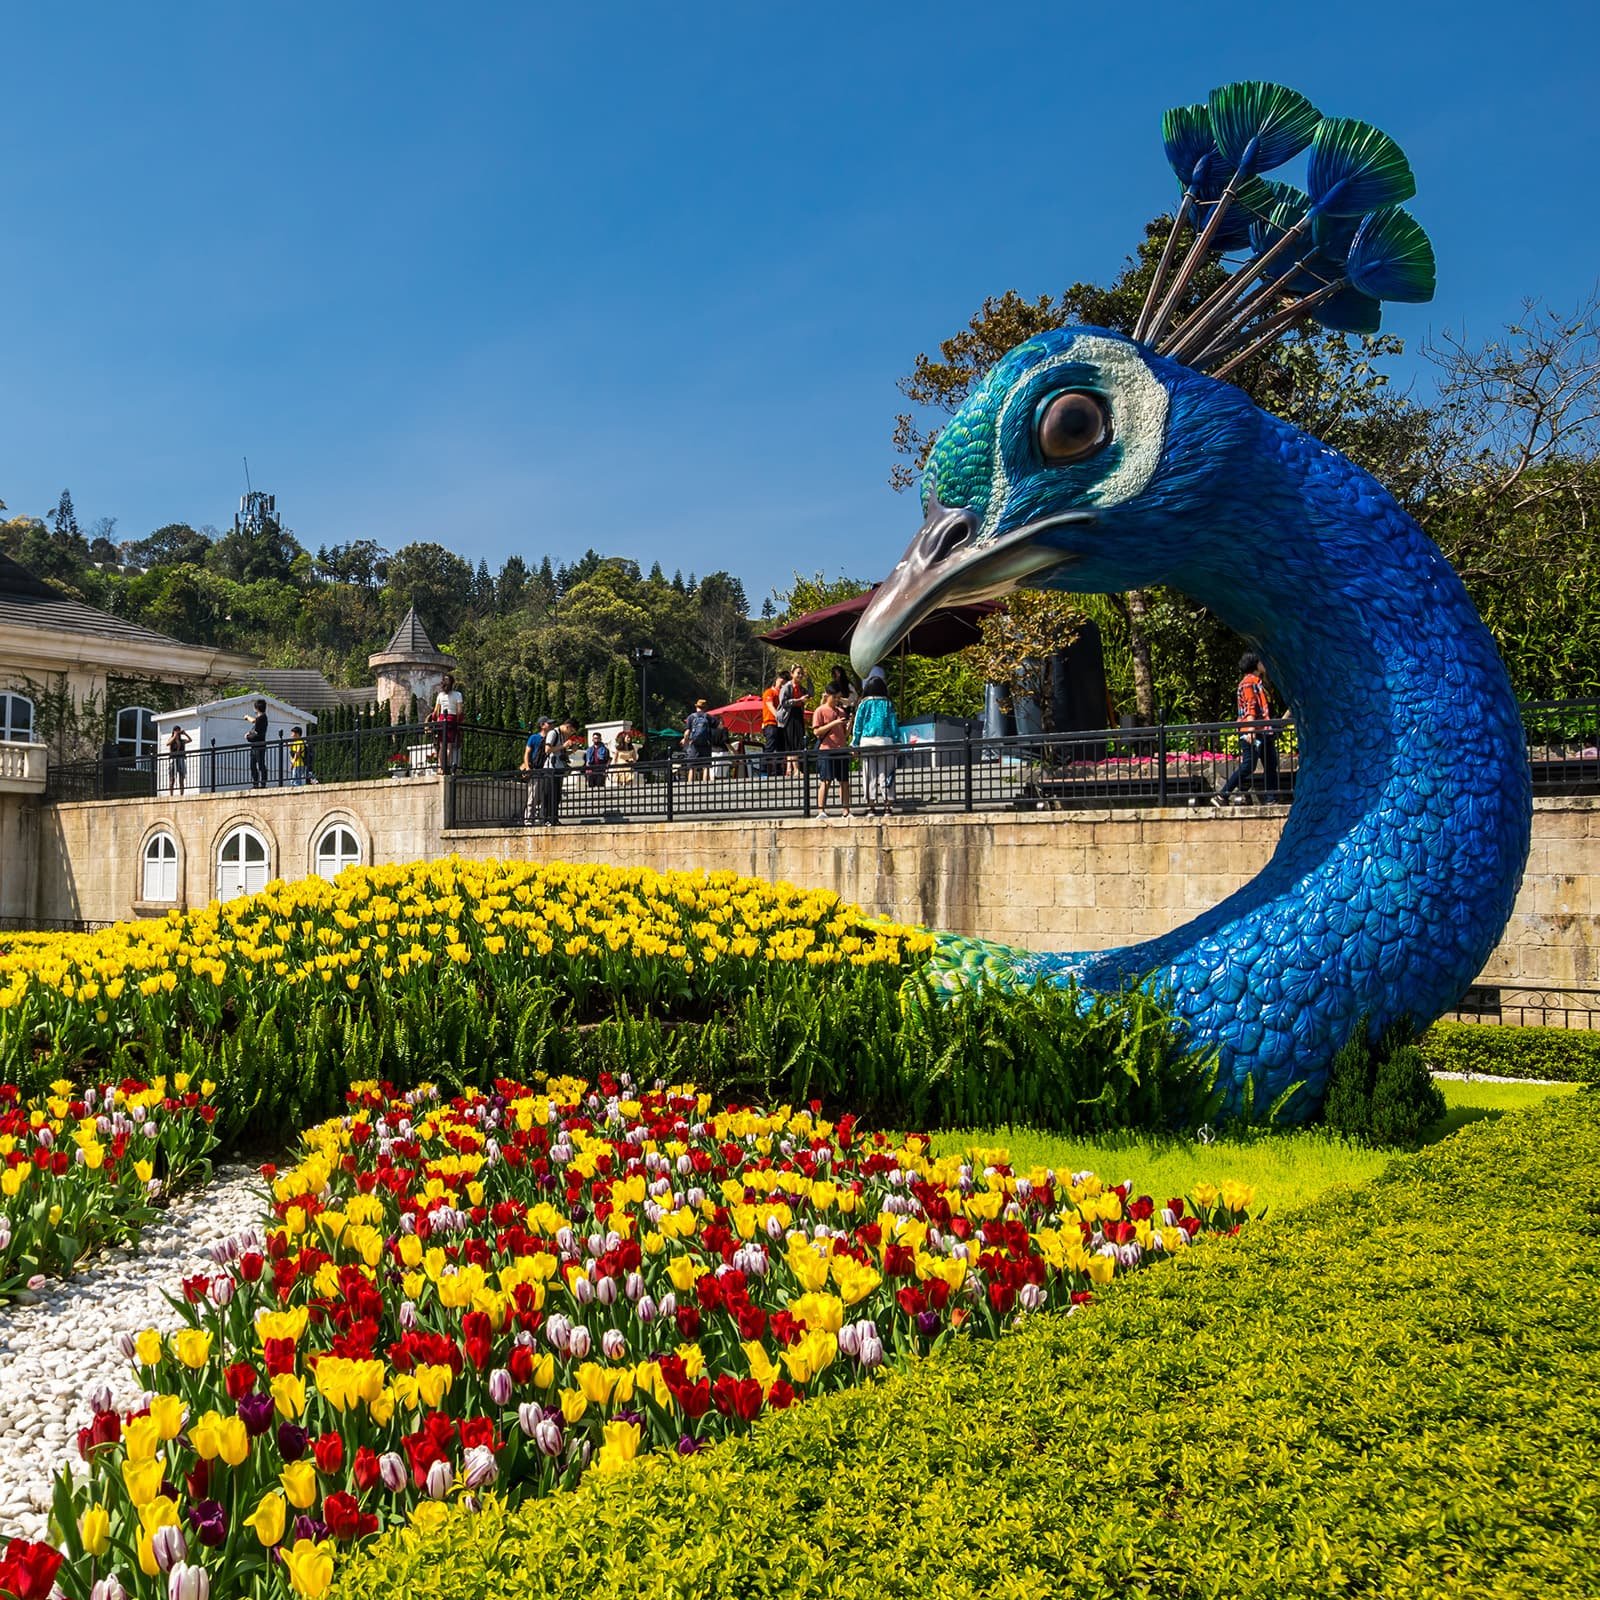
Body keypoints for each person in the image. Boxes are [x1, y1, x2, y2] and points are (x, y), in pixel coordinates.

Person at [1209, 651, 1280, 807]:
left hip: (1263, 730)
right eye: (1261, 662)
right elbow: (1250, 707)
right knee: (1248, 765)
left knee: (1270, 764)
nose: (1264, 664)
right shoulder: (1249, 682)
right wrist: (1250, 729)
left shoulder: (1258, 682)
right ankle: (1222, 794)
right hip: (1254, 731)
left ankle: (1271, 798)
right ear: (1255, 665)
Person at [853, 668, 902, 817]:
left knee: (869, 775)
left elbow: (858, 725)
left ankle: (871, 807)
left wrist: (855, 744)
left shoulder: (863, 704)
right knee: (886, 774)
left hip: (867, 742)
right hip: (885, 741)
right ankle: (888, 806)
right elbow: (893, 724)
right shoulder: (887, 704)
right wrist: (897, 742)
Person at [811, 690, 851, 819]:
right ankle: (821, 810)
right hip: (826, 749)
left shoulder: (841, 711)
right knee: (826, 780)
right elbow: (817, 732)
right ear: (828, 696)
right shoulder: (820, 710)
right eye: (835, 697)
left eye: (838, 697)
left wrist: (850, 724)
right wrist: (834, 723)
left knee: (844, 781)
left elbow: (845, 734)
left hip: (841, 749)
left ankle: (846, 810)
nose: (837, 700)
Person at [778, 666, 809, 778]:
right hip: (789, 716)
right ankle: (796, 769)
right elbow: (783, 702)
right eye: (798, 673)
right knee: (793, 742)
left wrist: (809, 679)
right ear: (792, 674)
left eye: (801, 673)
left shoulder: (801, 688)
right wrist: (798, 700)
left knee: (796, 741)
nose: (800, 675)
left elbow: (811, 693)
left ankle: (790, 768)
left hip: (798, 714)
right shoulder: (787, 687)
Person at [431, 673, 464, 774]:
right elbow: (459, 711)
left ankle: (440, 767)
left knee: (442, 746)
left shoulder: (440, 695)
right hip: (451, 720)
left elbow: (436, 711)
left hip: (441, 720)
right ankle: (447, 767)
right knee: (449, 746)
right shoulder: (458, 695)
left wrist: (434, 720)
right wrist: (459, 721)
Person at [520, 717, 550, 824]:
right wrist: (527, 766)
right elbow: (527, 753)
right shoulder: (534, 737)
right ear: (542, 725)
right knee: (532, 796)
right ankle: (528, 819)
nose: (550, 725)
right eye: (548, 723)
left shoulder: (551, 738)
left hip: (547, 770)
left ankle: (542, 819)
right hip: (536, 769)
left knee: (545, 797)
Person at [683, 698, 715, 783]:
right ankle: (705, 785)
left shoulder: (691, 717)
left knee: (692, 767)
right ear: (705, 708)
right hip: (706, 744)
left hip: (694, 744)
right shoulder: (708, 716)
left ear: (697, 707)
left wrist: (685, 741)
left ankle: (690, 786)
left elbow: (687, 732)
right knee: (706, 766)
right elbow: (719, 726)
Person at [760, 671, 785, 777]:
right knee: (770, 746)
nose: (782, 685)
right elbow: (770, 706)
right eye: (781, 682)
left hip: (780, 724)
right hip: (771, 723)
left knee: (781, 747)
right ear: (776, 680)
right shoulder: (769, 692)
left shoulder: (782, 694)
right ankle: (763, 770)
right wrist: (778, 716)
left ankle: (778, 771)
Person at [244, 698, 269, 789]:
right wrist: (250, 733)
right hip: (255, 746)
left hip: (259, 745)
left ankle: (262, 783)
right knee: (253, 765)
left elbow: (257, 733)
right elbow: (255, 723)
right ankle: (256, 783)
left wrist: (248, 737)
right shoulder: (260, 718)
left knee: (260, 764)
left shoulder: (262, 717)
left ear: (256, 708)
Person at [165, 723, 192, 797]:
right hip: (173, 759)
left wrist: (185, 733)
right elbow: (167, 743)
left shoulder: (182, 741)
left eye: (178, 730)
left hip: (181, 759)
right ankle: (171, 795)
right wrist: (174, 736)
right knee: (172, 778)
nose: (177, 732)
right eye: (176, 730)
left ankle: (181, 795)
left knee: (181, 778)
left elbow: (190, 740)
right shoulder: (171, 739)